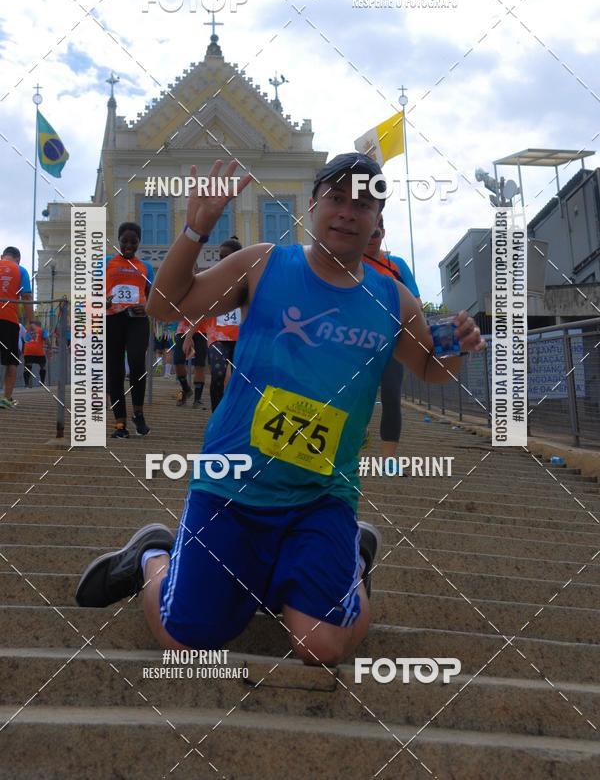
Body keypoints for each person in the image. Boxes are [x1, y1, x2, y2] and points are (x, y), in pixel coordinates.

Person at [76, 155, 484, 668]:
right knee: (187, 642)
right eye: (336, 199)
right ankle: (153, 556)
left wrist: (457, 347)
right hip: (231, 485)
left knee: (322, 647)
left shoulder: (393, 299)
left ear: (378, 219)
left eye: (362, 204)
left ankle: (352, 554)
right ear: (313, 207)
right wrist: (193, 230)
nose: (347, 213)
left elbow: (428, 369)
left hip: (322, 496)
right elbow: (165, 308)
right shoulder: (263, 263)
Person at [362, 214, 421, 460]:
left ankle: (389, 459)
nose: (371, 239)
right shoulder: (350, 263)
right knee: (356, 394)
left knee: (391, 394)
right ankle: (353, 445)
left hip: (392, 342)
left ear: (383, 234)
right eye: (367, 233)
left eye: (376, 234)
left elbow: (416, 302)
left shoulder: (396, 265)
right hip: (357, 341)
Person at [106, 222, 154, 438]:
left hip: (137, 320)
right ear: (119, 241)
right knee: (114, 370)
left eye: (133, 242)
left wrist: (145, 306)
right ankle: (120, 424)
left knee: (136, 362)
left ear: (138, 243)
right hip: (112, 319)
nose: (128, 245)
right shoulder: (106, 263)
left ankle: (138, 413)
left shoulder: (145, 267)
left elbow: (152, 295)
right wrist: (101, 301)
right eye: (125, 241)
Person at [204, 237, 242, 411]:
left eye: (227, 257)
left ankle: (232, 416)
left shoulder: (249, 278)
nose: (223, 260)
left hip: (240, 336)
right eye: (221, 257)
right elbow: (204, 307)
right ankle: (215, 416)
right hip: (217, 335)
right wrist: (189, 335)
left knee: (238, 379)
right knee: (218, 374)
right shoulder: (212, 276)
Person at [0, 246, 33, 408]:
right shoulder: (20, 270)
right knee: (11, 361)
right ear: (18, 259)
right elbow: (26, 296)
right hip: (8, 320)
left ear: (2, 256)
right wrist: (31, 322)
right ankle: (6, 399)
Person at [174, 315, 208, 408]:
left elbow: (199, 314)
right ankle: (186, 389)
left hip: (202, 330)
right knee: (177, 362)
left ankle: (197, 399)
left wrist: (189, 337)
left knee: (199, 365)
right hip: (182, 330)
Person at [23, 319, 50, 388]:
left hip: (28, 350)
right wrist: (49, 348)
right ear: (39, 325)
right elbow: (47, 339)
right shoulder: (42, 330)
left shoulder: (28, 331)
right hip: (38, 351)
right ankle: (42, 382)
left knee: (28, 367)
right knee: (42, 366)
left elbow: (25, 340)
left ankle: (26, 384)